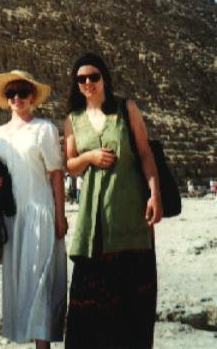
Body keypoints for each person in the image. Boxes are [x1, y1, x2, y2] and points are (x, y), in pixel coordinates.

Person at [64, 53, 162, 349]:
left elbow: (145, 153)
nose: (88, 83)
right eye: (81, 79)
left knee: (132, 307)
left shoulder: (126, 108)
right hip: (94, 223)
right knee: (90, 309)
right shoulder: (73, 119)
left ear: (105, 77)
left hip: (129, 214)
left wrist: (155, 194)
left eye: (94, 76)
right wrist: (90, 157)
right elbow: (69, 164)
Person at [0, 69, 67, 349]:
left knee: (40, 279)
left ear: (33, 96)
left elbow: (56, 174)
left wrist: (60, 216)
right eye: (12, 93)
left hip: (39, 213)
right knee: (21, 282)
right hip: (11, 218)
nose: (17, 97)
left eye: (23, 92)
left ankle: (42, 346)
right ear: (6, 99)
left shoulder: (44, 129)